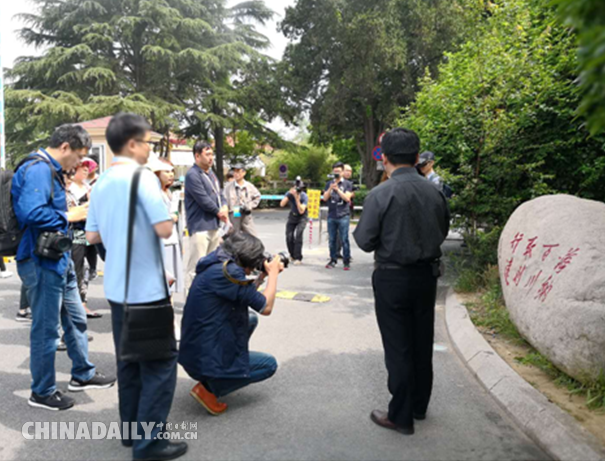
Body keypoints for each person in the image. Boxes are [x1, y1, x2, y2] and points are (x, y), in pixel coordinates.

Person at [86, 112, 187, 460]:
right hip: (146, 290)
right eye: (146, 142)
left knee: (128, 361)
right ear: (132, 143)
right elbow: (165, 230)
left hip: (116, 290)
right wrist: (167, 216)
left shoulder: (99, 183)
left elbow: (92, 235)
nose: (149, 149)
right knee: (160, 365)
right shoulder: (142, 180)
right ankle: (149, 444)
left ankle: (131, 432)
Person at [12, 124, 116, 411]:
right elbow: (30, 212)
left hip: (57, 257)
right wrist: (72, 214)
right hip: (40, 260)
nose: (80, 164)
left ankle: (83, 373)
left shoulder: (48, 169)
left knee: (75, 319)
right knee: (46, 330)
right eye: (80, 157)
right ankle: (42, 391)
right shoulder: (38, 168)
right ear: (66, 147)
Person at [353, 128, 450, 435]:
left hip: (392, 277)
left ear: (384, 157)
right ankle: (419, 405)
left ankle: (401, 416)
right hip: (426, 276)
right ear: (417, 155)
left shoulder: (380, 194)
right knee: (422, 342)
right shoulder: (434, 191)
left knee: (398, 346)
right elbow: (443, 230)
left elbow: (365, 241)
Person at [179, 232, 283, 415]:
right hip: (202, 357)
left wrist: (261, 278)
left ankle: (222, 369)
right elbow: (265, 307)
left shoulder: (217, 262)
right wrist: (273, 274)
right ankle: (209, 389)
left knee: (250, 319)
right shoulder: (229, 272)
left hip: (195, 348)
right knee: (269, 364)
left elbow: (243, 293)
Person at [184, 141, 229, 289]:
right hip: (200, 227)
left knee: (211, 267)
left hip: (214, 226)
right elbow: (203, 199)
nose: (211, 158)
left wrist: (224, 205)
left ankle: (206, 301)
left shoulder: (211, 174)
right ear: (197, 156)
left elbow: (219, 193)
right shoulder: (192, 175)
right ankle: (191, 303)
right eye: (207, 154)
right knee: (197, 266)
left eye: (212, 154)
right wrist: (219, 212)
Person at [68, 161, 102, 319]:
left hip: (89, 231)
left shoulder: (88, 186)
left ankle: (82, 302)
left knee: (90, 268)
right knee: (79, 267)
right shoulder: (69, 189)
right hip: (76, 232)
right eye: (83, 169)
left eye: (88, 169)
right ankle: (80, 304)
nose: (86, 172)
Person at [149, 156, 185, 295]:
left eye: (172, 172)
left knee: (169, 281)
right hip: (160, 243)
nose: (170, 175)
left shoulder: (170, 192)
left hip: (172, 240)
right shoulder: (153, 193)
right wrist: (170, 217)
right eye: (166, 172)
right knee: (161, 281)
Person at [323, 162, 354, 270]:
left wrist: (338, 189)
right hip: (332, 215)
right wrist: (330, 188)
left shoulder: (348, 184)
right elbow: (325, 198)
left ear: (342, 171)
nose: (336, 173)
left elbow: (347, 198)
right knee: (332, 239)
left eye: (338, 171)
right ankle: (332, 259)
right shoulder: (329, 183)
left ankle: (346, 261)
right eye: (334, 171)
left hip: (343, 215)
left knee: (344, 239)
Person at [223, 163, 261, 237]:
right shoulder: (228, 187)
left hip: (246, 215)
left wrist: (250, 206)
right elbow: (223, 200)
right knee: (233, 237)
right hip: (234, 214)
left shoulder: (249, 186)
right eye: (234, 171)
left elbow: (257, 196)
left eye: (238, 171)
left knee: (253, 237)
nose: (236, 174)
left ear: (244, 173)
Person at [280, 182, 308, 265]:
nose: (297, 190)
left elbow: (301, 210)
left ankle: (298, 257)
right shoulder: (289, 193)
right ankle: (292, 255)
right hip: (292, 216)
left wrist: (297, 199)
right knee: (289, 236)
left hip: (302, 217)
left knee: (298, 236)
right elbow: (281, 204)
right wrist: (289, 194)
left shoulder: (304, 196)